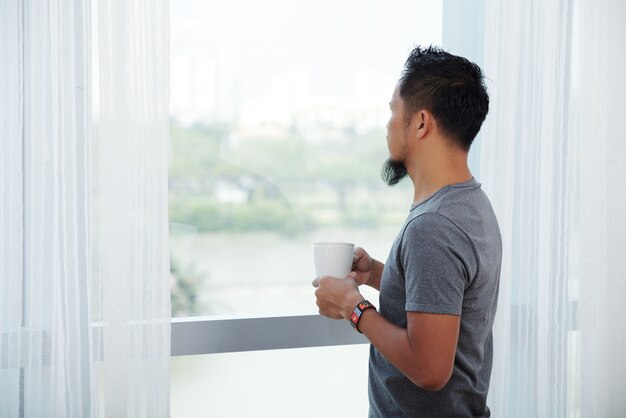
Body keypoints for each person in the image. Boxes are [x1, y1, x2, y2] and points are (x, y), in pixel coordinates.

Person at [313, 45, 502, 417]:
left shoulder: (434, 226)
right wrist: (380, 275)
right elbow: (448, 303)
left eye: (392, 112)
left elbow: (430, 370)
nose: (387, 125)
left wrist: (353, 307)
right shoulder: (471, 204)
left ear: (420, 122)